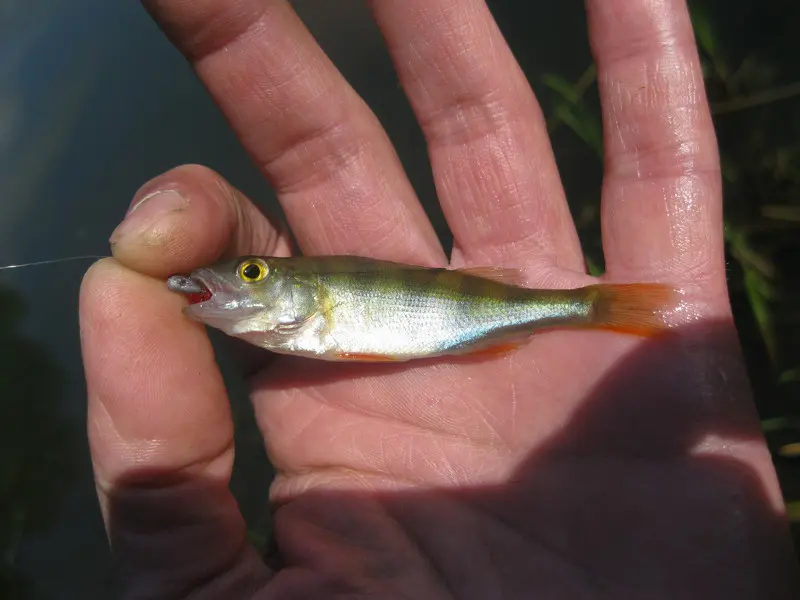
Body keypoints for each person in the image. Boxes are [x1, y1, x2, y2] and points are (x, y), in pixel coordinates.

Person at [79, 0, 800, 597]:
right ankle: (600, 312)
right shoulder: (292, 331)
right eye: (251, 276)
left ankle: (598, 310)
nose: (237, 283)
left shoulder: (309, 318)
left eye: (255, 275)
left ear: (292, 287)